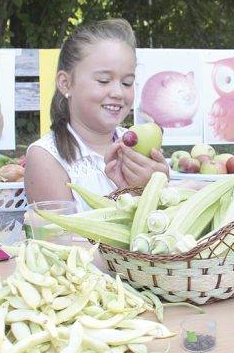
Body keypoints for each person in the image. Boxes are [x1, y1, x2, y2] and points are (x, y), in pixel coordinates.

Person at [25, 18, 168, 211]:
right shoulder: (45, 158)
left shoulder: (135, 146)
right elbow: (61, 231)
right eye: (103, 80)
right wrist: (136, 195)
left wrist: (163, 189)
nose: (118, 93)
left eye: (127, 83)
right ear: (66, 83)